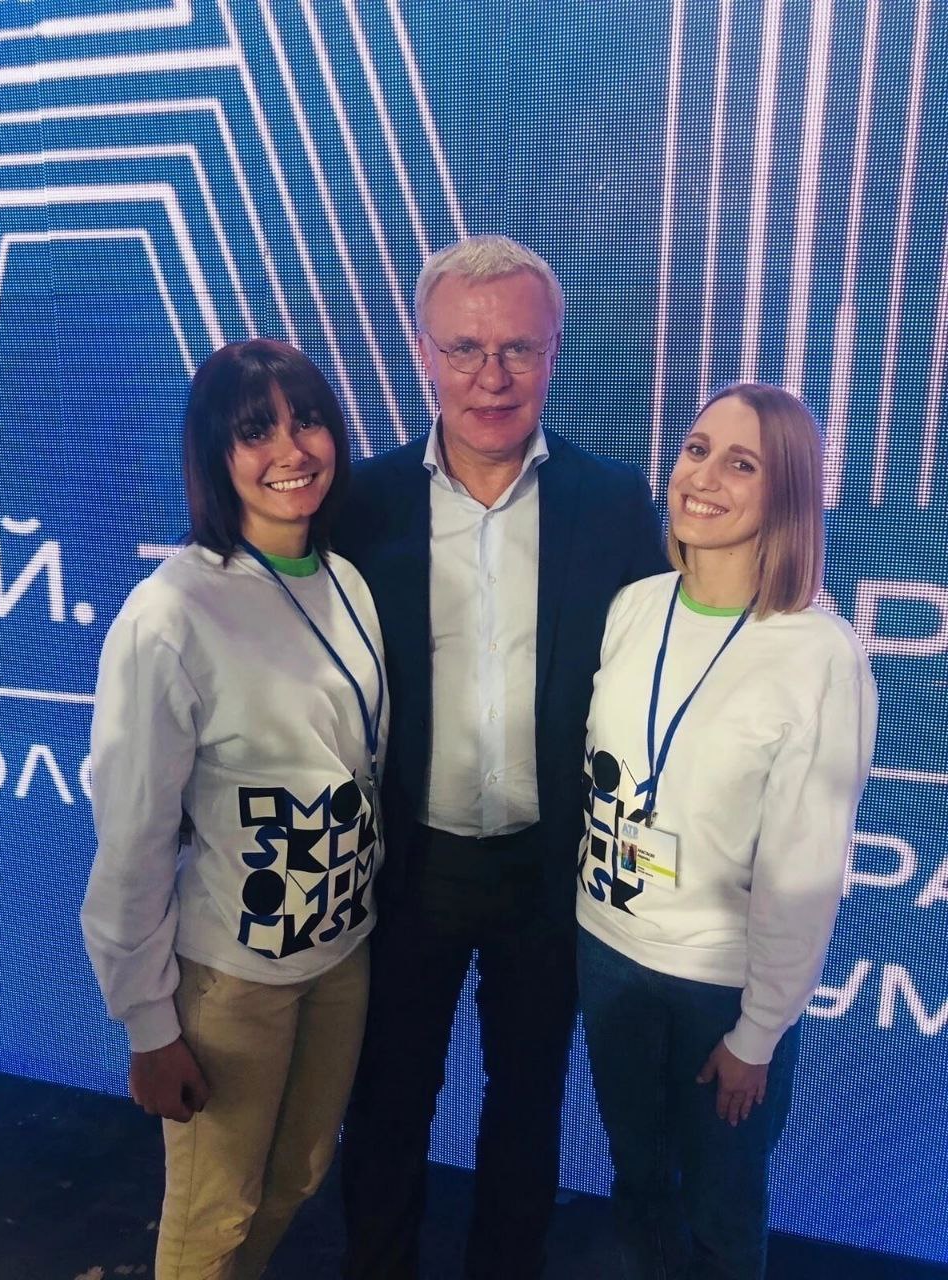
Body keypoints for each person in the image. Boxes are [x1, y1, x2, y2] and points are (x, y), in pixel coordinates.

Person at [334, 234, 667, 1280]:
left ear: (554, 351)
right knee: (387, 1103)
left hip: (549, 869)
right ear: (422, 352)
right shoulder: (360, 503)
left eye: (518, 348)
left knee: (528, 1107)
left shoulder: (613, 502)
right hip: (407, 865)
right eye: (465, 348)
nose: (492, 376)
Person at [80, 339, 386, 1280]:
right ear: (216, 454)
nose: (291, 450)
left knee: (297, 1176)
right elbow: (131, 834)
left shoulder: (347, 582)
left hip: (340, 951)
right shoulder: (171, 612)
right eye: (257, 431)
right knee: (214, 1215)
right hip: (233, 977)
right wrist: (148, 1023)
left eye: (308, 420)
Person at [577, 383, 878, 1280]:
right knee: (638, 1183)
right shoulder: (635, 606)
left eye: (741, 463)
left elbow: (806, 867)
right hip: (607, 950)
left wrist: (759, 1032)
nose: (702, 477)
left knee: (722, 1210)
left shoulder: (819, 654)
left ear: (787, 495)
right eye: (697, 449)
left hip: (721, 987)